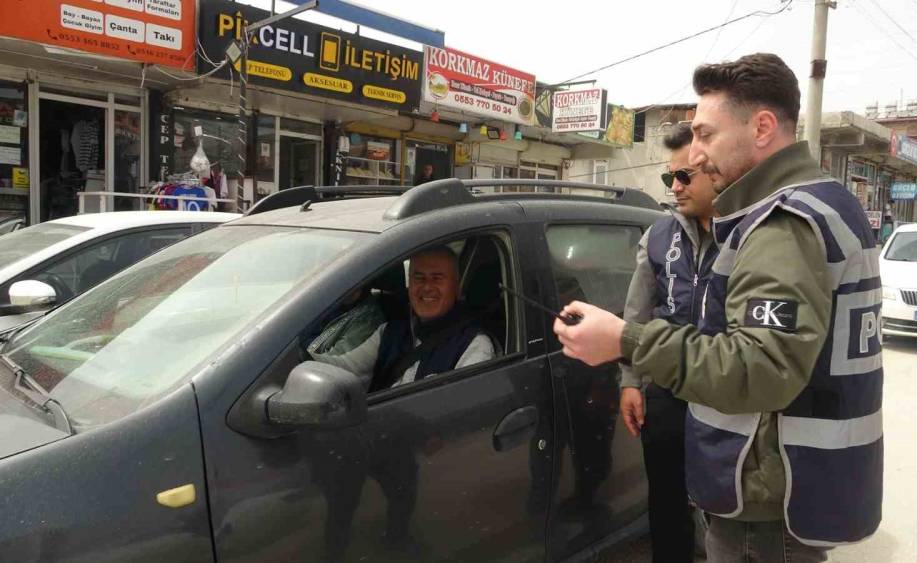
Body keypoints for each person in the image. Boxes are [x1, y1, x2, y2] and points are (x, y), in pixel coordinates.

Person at [553, 53, 883, 562]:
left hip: (765, 500)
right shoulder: (821, 202)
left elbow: (763, 367)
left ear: (763, 128)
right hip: (787, 480)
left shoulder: (782, 223)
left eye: (706, 134)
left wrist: (626, 341)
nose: (697, 155)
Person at [619, 122, 718, 563]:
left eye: (684, 176)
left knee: (719, 506)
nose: (675, 187)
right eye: (669, 178)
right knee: (667, 502)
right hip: (664, 394)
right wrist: (629, 381)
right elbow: (636, 314)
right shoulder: (658, 236)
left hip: (724, 392)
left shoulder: (748, 235)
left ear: (713, 173)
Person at [316, 245, 496, 391]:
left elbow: (463, 415)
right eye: (419, 278)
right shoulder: (390, 332)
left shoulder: (474, 346)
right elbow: (343, 368)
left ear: (456, 288)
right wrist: (299, 361)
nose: (427, 287)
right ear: (409, 285)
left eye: (437, 278)